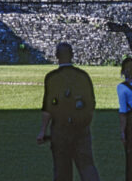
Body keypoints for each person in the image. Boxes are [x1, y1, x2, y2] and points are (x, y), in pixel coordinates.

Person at [36, 42, 100, 181]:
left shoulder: (52, 77)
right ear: (72, 55)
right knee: (87, 166)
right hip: (81, 127)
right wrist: (85, 120)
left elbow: (48, 107)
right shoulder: (83, 76)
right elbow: (91, 103)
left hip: (60, 129)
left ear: (56, 56)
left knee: (62, 170)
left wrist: (42, 131)